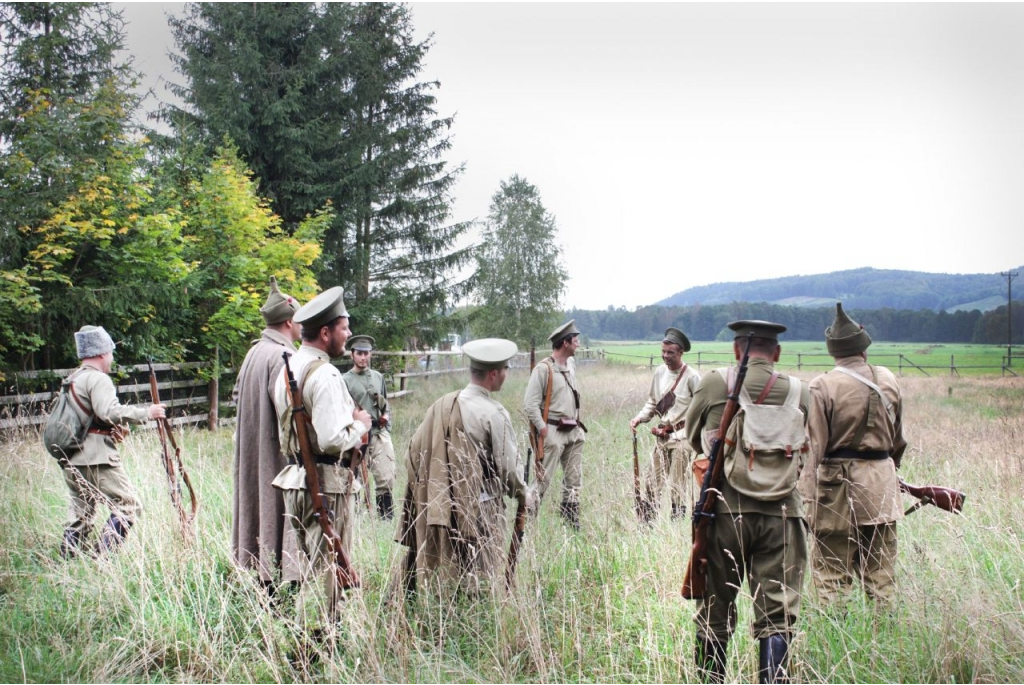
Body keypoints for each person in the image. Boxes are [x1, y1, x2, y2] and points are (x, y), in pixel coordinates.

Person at [683, 320, 810, 684]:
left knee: (715, 610)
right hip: (784, 516)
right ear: (778, 354)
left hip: (724, 512)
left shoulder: (714, 383)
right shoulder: (800, 392)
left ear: (737, 351)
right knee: (777, 615)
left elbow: (694, 438)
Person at [395, 338, 532, 597]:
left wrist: (437, 493)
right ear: (493, 374)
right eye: (505, 369)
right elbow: (509, 470)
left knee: (446, 577)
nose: (506, 373)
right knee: (480, 575)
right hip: (481, 507)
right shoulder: (494, 412)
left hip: (439, 507)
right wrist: (525, 494)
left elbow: (410, 455)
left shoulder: (439, 405)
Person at [271, 286, 372, 631]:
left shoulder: (288, 366)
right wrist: (359, 427)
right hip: (326, 484)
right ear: (326, 332)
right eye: (344, 327)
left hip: (298, 480)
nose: (348, 334)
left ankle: (311, 643)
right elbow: (331, 439)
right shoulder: (326, 374)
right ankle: (313, 652)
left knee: (313, 568)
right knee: (327, 575)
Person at [799, 303, 906, 606]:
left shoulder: (823, 385)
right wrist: (887, 473)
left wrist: (806, 501)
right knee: (881, 573)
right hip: (881, 487)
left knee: (832, 573)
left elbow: (813, 448)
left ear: (833, 351)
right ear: (864, 347)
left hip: (836, 492)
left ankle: (839, 640)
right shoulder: (889, 379)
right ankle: (883, 635)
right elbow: (898, 441)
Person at [57, 325, 166, 558]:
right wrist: (147, 412)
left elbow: (88, 417)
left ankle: (68, 562)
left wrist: (113, 429)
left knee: (80, 513)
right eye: (110, 352)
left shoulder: (72, 379)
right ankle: (102, 559)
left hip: (71, 457)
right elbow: (108, 411)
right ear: (101, 353)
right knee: (128, 505)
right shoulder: (98, 379)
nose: (112, 357)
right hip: (97, 457)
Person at [230, 276, 302, 592]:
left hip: (253, 453)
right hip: (276, 457)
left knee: (259, 511)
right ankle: (277, 589)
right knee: (277, 513)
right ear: (288, 322)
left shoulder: (254, 353)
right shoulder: (284, 356)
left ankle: (265, 586)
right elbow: (291, 415)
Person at [630, 327, 702, 521]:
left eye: (670, 352)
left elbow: (703, 407)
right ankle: (647, 525)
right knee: (652, 481)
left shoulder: (693, 377)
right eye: (663, 352)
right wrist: (639, 418)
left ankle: (676, 524)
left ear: (680, 352)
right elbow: (652, 402)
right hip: (662, 436)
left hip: (682, 438)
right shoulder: (660, 372)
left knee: (678, 484)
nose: (665, 356)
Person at [524, 319, 586, 529]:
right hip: (552, 431)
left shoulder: (571, 364)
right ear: (565, 342)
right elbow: (530, 405)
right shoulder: (543, 369)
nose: (578, 343)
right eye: (575, 340)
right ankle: (526, 523)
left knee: (574, 479)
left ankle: (571, 521)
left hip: (574, 431)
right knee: (543, 480)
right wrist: (544, 431)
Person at [342, 335, 396, 520]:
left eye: (366, 353)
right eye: (359, 353)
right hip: (357, 434)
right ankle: (355, 518)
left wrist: (386, 417)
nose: (363, 357)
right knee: (353, 478)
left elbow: (385, 404)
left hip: (379, 433)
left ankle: (385, 518)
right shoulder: (344, 380)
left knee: (386, 476)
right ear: (352, 355)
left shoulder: (378, 377)